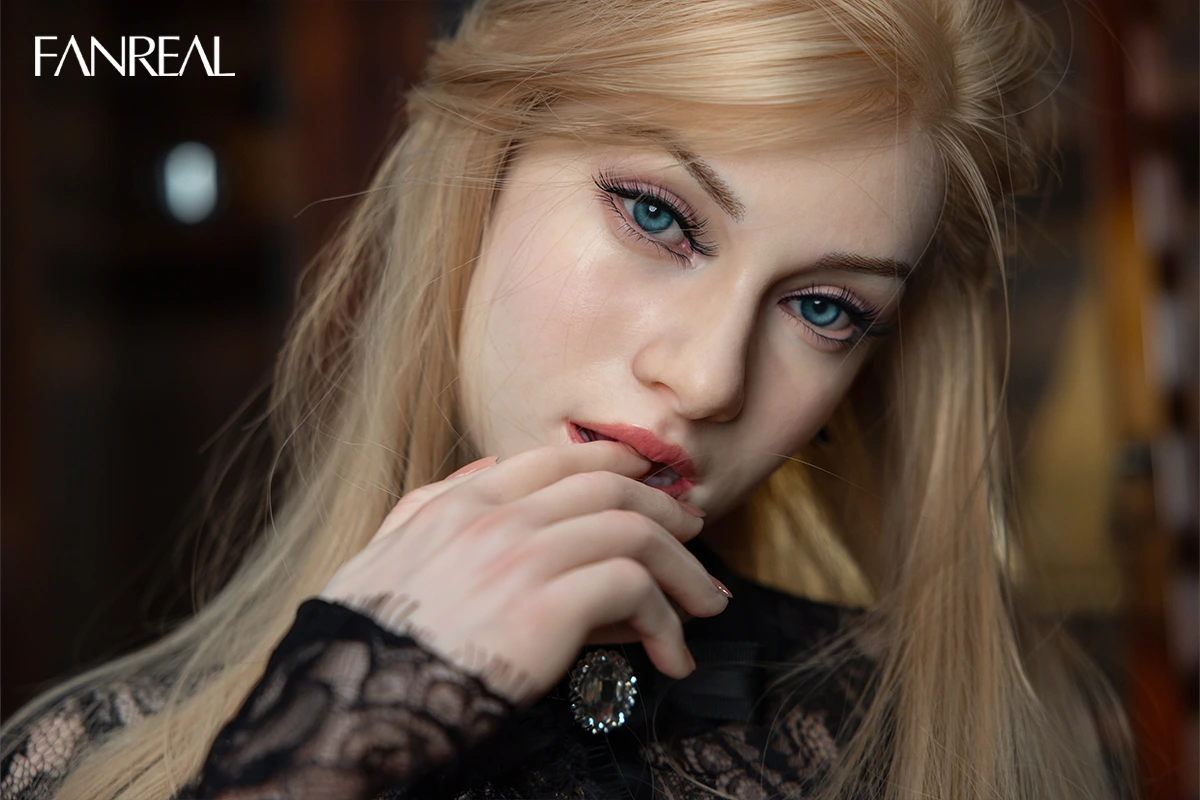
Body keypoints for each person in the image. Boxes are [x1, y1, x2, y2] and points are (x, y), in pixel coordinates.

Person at [0, 0, 1134, 798]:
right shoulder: (90, 766)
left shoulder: (971, 749)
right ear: (487, 168)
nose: (708, 380)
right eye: (657, 215)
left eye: (824, 307)